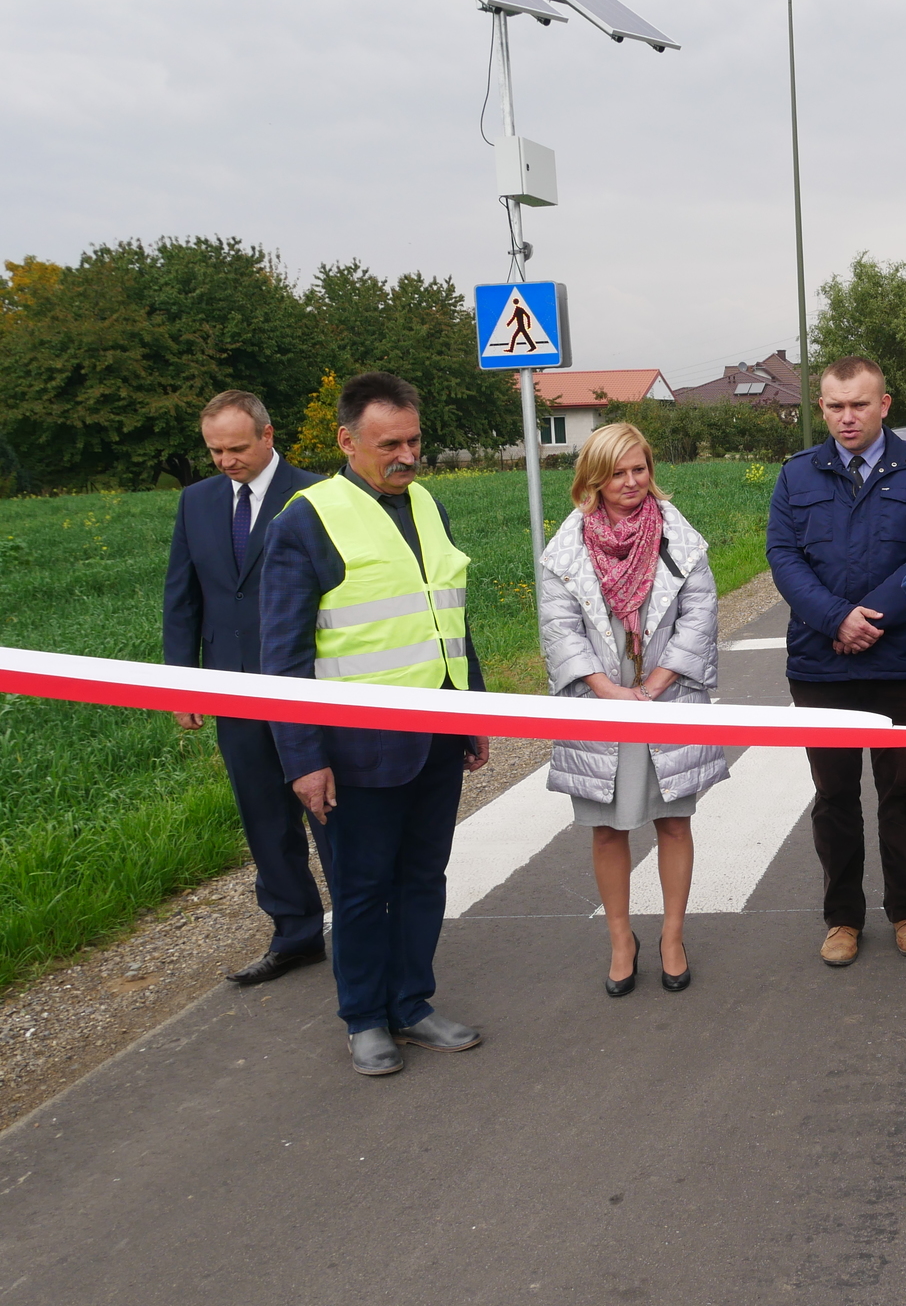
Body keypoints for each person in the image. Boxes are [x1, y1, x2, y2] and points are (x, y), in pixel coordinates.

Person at [261, 372, 492, 1078]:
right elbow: (282, 656)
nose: (407, 456)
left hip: (437, 734)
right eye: (390, 444)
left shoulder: (427, 504)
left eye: (414, 440)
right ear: (347, 441)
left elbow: (448, 616)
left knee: (424, 877)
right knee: (362, 889)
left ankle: (411, 1003)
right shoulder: (307, 520)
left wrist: (475, 711)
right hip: (355, 750)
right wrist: (303, 759)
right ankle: (364, 1017)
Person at [766, 356, 906, 967]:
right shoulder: (797, 475)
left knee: (902, 794)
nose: (848, 417)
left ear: (884, 404)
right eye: (836, 406)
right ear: (822, 407)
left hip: (903, 666)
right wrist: (835, 619)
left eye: (860, 404)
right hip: (822, 666)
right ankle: (842, 917)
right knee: (834, 797)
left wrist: (871, 619)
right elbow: (783, 556)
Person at [539, 421, 727, 995]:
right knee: (605, 829)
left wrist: (658, 683)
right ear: (593, 478)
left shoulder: (679, 537)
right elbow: (559, 630)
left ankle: (672, 936)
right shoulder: (566, 547)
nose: (630, 482)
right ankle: (621, 939)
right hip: (601, 702)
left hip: (668, 694)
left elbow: (700, 614)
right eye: (616, 472)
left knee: (674, 820)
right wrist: (609, 691)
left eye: (639, 469)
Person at [163, 390, 335, 985]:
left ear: (267, 435)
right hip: (233, 686)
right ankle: (295, 934)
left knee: (328, 810)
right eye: (215, 451)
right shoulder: (196, 502)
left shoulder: (318, 495)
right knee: (264, 815)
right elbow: (182, 597)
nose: (225, 461)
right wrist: (183, 683)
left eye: (236, 448)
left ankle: (362, 929)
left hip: (309, 686)